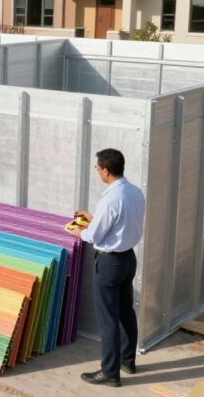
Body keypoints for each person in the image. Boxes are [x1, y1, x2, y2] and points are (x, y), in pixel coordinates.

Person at [68, 148, 146, 388]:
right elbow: (119, 223)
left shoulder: (110, 198)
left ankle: (110, 372)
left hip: (109, 263)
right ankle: (127, 361)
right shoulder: (134, 192)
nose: (97, 171)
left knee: (108, 319)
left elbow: (94, 235)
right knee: (126, 312)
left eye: (97, 168)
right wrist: (93, 217)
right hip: (128, 259)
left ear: (105, 170)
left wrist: (77, 230)